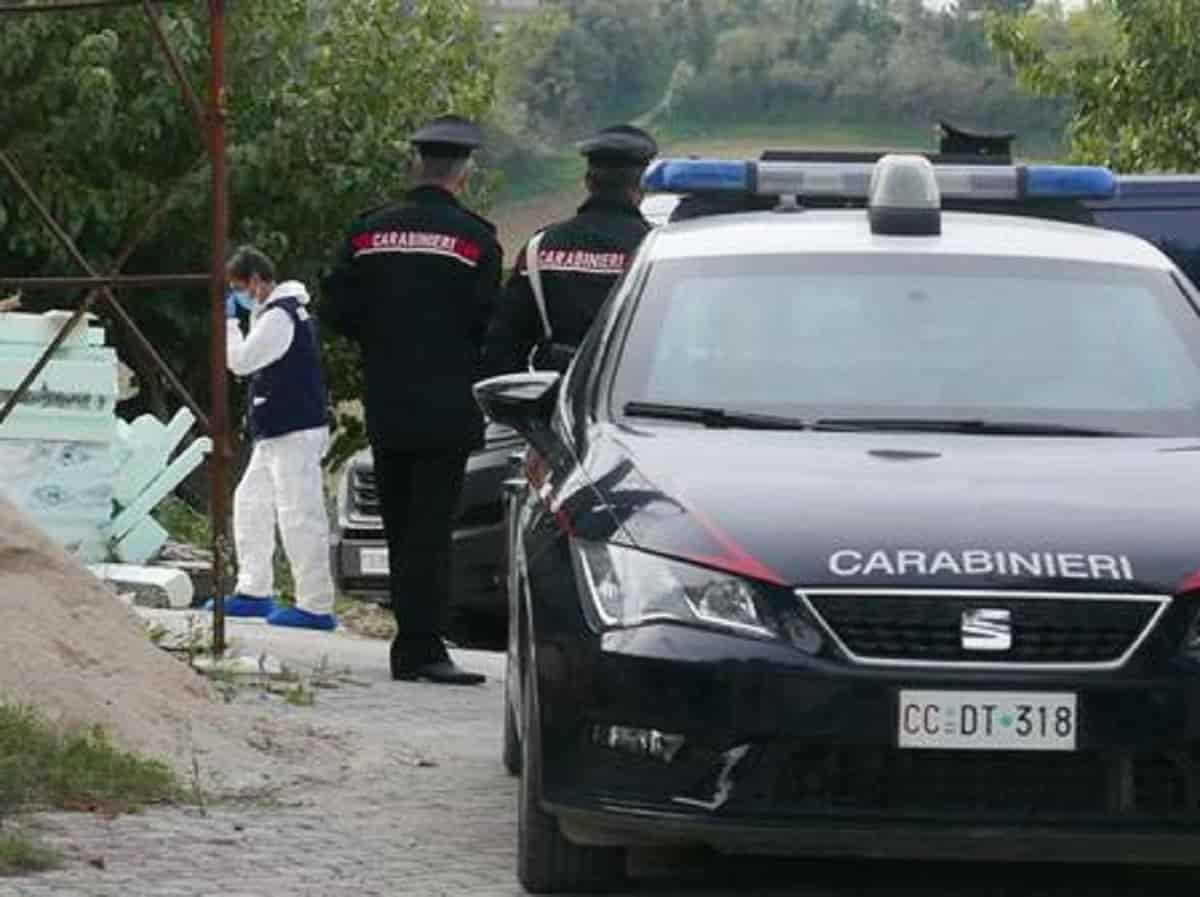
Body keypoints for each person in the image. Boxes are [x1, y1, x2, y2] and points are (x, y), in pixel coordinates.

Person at [320, 115, 502, 685]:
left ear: (415, 166)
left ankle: (412, 643)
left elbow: (337, 311)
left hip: (388, 397)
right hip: (448, 403)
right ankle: (424, 646)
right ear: (463, 175)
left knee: (399, 525)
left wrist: (385, 339)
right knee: (431, 526)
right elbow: (487, 324)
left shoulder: (368, 232)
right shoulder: (476, 239)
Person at [211, 245, 338, 631]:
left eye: (238, 287)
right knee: (251, 504)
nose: (237, 295)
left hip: (294, 429)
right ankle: (254, 591)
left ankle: (315, 605)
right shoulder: (273, 313)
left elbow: (242, 361)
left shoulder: (281, 317)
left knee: (299, 514)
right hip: (278, 430)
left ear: (255, 281)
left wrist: (229, 325)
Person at [483, 124, 658, 376]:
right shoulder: (654, 251)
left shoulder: (538, 250)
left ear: (588, 181)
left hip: (554, 399)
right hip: (631, 396)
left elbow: (504, 345)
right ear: (643, 185)